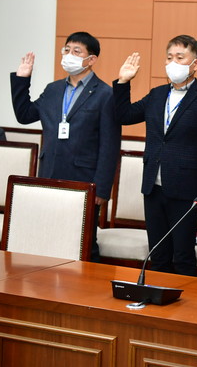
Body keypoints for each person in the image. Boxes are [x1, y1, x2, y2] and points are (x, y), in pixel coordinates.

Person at [114, 35, 197, 276]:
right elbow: (124, 115)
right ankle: (156, 296)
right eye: (169, 57)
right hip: (153, 187)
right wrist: (123, 82)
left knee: (183, 256)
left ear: (195, 64)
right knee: (158, 254)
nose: (173, 62)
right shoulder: (157, 94)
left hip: (187, 189)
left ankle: (186, 299)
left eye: (180, 57)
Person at [10, 31, 120, 260]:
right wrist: (22, 79)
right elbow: (24, 115)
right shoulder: (53, 89)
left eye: (76, 51)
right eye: (66, 50)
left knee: (82, 242)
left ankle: (88, 282)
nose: (69, 55)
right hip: (50, 173)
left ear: (91, 59)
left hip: (85, 180)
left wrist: (102, 189)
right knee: (48, 237)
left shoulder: (105, 94)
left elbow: (109, 146)